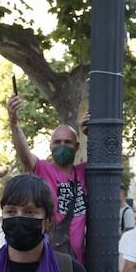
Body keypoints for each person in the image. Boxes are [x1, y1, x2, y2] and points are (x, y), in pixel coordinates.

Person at [7, 93, 88, 262]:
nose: (62, 146)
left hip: (77, 263)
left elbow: (107, 158)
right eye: (57, 142)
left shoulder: (84, 172)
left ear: (77, 146)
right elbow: (24, 154)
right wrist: (14, 123)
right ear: (50, 146)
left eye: (67, 142)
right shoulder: (43, 169)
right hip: (47, 260)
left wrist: (91, 134)